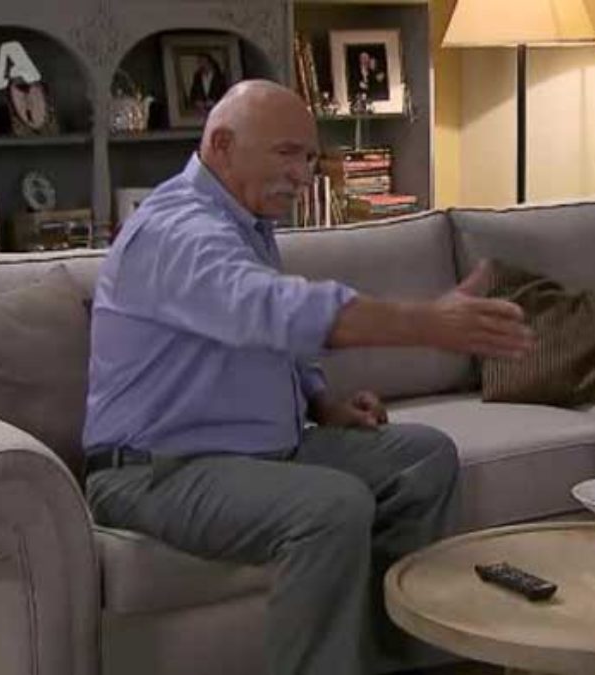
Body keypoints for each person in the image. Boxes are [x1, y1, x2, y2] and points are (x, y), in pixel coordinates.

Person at [82, 80, 533, 675]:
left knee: (423, 458)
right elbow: (268, 307)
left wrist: (323, 402)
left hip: (260, 452)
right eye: (287, 153)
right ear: (222, 146)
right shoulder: (176, 231)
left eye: (310, 157)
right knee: (332, 506)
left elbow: (273, 338)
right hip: (156, 470)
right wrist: (428, 322)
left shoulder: (245, 223)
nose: (303, 175)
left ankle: (407, 661)